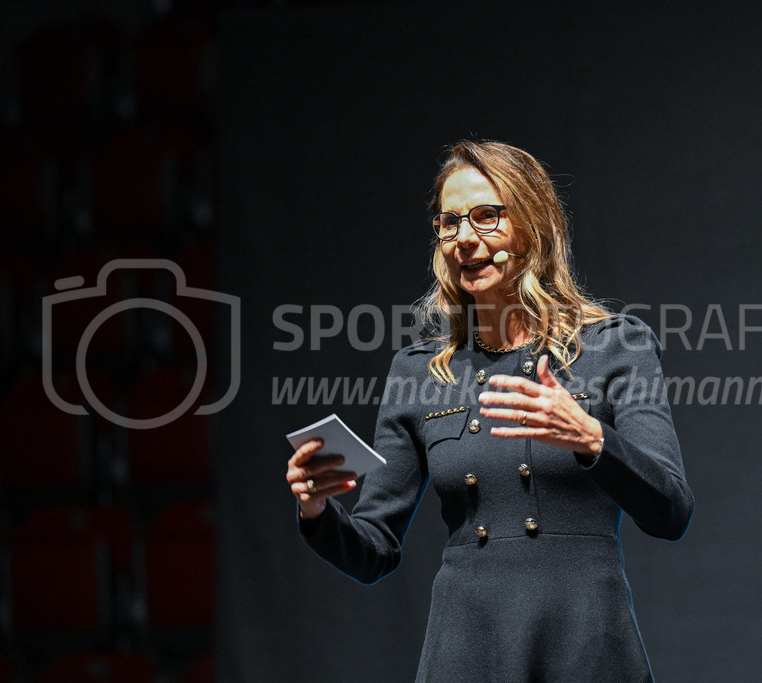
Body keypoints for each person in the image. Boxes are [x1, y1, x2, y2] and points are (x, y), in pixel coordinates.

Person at [286, 140, 694, 681]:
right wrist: (316, 510)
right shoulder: (419, 373)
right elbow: (374, 549)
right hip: (467, 649)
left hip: (585, 643)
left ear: (533, 226)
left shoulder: (614, 347)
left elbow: (670, 513)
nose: (464, 239)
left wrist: (592, 438)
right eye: (449, 222)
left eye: (485, 216)